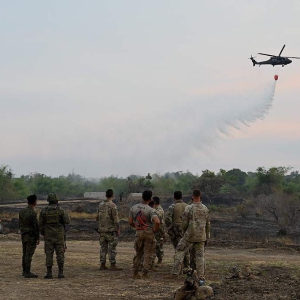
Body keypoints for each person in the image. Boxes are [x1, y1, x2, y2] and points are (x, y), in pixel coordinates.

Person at [171, 189, 210, 280]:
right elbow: (208, 224)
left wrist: (185, 231)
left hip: (190, 235)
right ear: (200, 195)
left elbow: (184, 223)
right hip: (201, 236)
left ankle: (175, 273)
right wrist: (207, 236)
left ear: (193, 196)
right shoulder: (205, 208)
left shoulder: (189, 208)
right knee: (200, 256)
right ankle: (201, 275)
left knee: (180, 250)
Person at [129, 190, 160, 279]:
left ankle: (135, 272)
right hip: (148, 232)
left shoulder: (133, 208)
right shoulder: (150, 210)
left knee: (138, 253)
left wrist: (137, 226)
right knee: (148, 253)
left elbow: (130, 222)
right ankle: (145, 273)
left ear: (142, 197)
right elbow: (157, 222)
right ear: (150, 198)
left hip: (139, 232)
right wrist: (154, 230)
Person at [39, 193, 70, 279]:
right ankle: (60, 272)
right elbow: (67, 221)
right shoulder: (60, 210)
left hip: (48, 235)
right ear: (57, 200)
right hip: (59, 235)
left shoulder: (44, 211)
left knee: (49, 254)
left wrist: (43, 232)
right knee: (60, 253)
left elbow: (40, 224)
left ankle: (49, 273)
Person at [96, 188, 121, 271]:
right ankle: (113, 264)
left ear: (106, 195)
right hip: (110, 231)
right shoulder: (112, 205)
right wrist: (118, 229)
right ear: (112, 196)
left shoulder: (100, 205)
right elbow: (116, 219)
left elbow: (97, 217)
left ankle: (102, 264)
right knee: (112, 248)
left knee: (103, 248)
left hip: (101, 230)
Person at [165, 191, 189, 268]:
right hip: (186, 230)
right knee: (186, 248)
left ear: (174, 197)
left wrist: (169, 225)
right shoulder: (188, 206)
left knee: (178, 249)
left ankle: (179, 267)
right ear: (181, 197)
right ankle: (187, 266)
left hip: (176, 230)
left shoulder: (172, 206)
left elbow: (167, 219)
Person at [19, 194, 40, 278]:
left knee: (24, 253)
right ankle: (27, 272)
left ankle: (24, 271)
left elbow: (20, 223)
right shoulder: (32, 212)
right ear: (34, 202)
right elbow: (35, 226)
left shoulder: (22, 211)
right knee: (29, 254)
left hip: (24, 234)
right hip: (31, 235)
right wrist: (37, 237)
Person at [152, 196, 165, 265]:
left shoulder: (159, 210)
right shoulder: (154, 209)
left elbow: (158, 219)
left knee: (159, 246)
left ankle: (160, 259)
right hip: (154, 229)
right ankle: (152, 261)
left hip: (159, 230)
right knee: (154, 246)